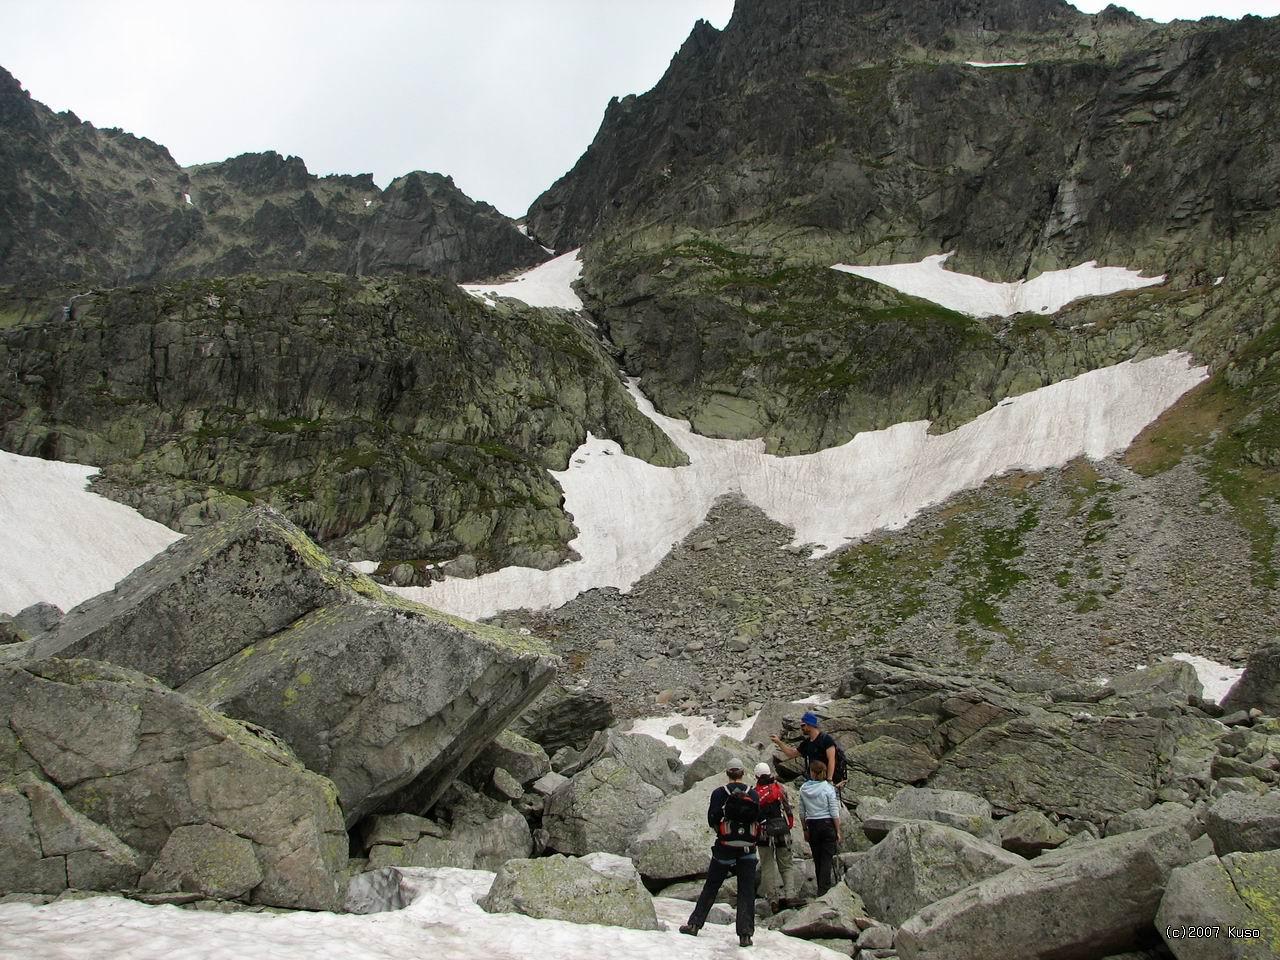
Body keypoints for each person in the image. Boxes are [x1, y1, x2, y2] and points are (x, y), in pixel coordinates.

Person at [680, 758, 761, 948]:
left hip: (724, 846)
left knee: (712, 885)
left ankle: (695, 924)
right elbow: (759, 818)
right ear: (742, 773)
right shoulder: (754, 794)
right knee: (747, 890)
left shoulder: (719, 793)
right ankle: (745, 935)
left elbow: (712, 818)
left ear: (727, 773)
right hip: (748, 848)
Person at [752, 761, 797, 913]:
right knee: (786, 864)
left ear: (756, 776)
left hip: (764, 832)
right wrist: (789, 824)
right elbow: (787, 807)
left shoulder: (754, 792)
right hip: (781, 828)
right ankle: (790, 895)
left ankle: (773, 900)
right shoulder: (778, 788)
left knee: (767, 865)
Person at [799, 759, 842, 895]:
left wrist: (805, 829)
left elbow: (801, 812)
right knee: (827, 859)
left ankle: (820, 889)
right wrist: (838, 830)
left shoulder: (804, 789)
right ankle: (825, 890)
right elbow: (834, 812)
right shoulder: (828, 788)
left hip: (812, 825)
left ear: (812, 772)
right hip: (827, 824)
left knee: (817, 859)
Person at [770, 711, 839, 784]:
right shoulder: (807, 743)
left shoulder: (826, 739)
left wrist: (829, 779)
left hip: (827, 780)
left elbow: (832, 760)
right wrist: (779, 742)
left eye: (803, 725)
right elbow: (791, 754)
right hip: (814, 780)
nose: (801, 728)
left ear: (810, 724)